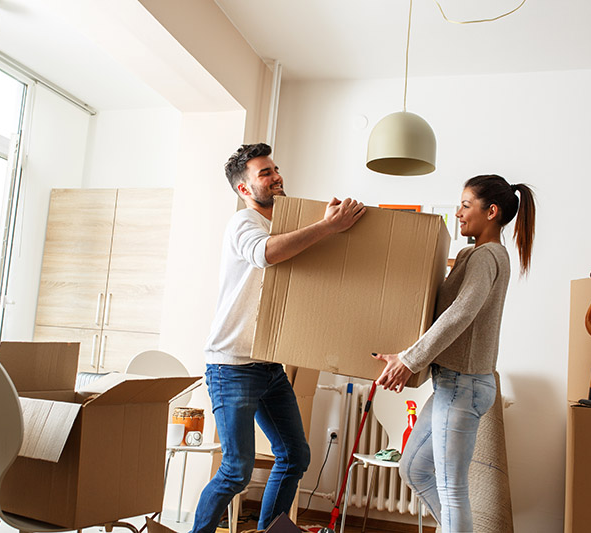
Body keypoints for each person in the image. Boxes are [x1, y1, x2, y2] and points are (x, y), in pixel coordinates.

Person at [192, 143, 366, 533]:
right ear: (244, 189)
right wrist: (327, 226)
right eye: (264, 173)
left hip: (268, 364)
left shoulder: (281, 226)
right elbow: (265, 254)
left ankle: (271, 531)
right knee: (236, 470)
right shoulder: (244, 224)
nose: (276, 177)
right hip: (232, 365)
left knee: (295, 455)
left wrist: (327, 227)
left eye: (275, 169)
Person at [372, 175, 535, 533]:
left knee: (452, 489)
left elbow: (462, 312)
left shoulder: (488, 256)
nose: (458, 213)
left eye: (465, 204)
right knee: (413, 468)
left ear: (491, 212)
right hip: (452, 385)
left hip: (463, 386)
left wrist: (409, 360)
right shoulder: (474, 255)